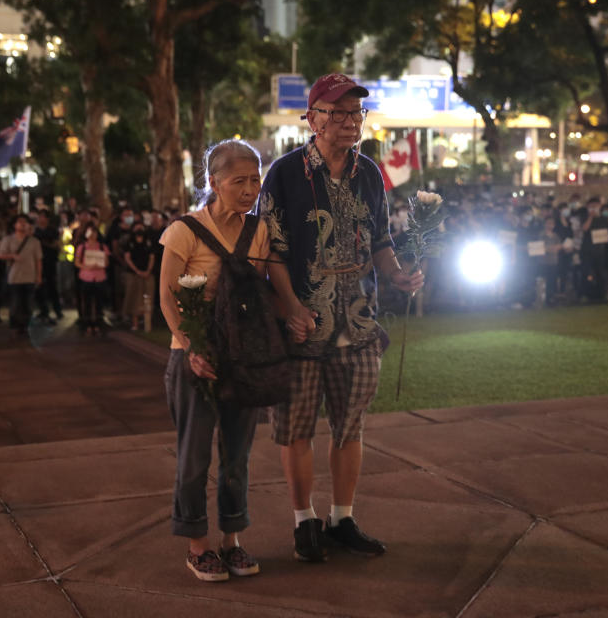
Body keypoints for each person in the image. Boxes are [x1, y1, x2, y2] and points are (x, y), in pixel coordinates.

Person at [260, 74, 424, 562]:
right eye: (338, 113)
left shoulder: (369, 172)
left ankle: (342, 517)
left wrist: (397, 275)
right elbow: (271, 251)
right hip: (302, 326)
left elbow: (380, 241)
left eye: (356, 113)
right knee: (297, 427)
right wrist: (290, 307)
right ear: (311, 118)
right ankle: (303, 520)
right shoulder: (285, 172)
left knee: (350, 426)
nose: (350, 123)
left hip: (357, 324)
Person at [159, 139, 270, 582]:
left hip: (241, 359)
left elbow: (263, 289)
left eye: (255, 180)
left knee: (237, 456)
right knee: (193, 457)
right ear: (213, 182)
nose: (249, 190)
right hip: (193, 361)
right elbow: (168, 297)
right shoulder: (184, 230)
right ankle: (198, 545)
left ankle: (232, 540)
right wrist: (192, 348)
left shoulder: (258, 229)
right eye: (238, 181)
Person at [0, 214, 43, 334]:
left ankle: (26, 325)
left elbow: (38, 260)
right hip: (14, 276)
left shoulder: (34, 241)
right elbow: (0, 255)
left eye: (25, 222)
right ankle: (15, 325)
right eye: (19, 222)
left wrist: (39, 276)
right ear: (14, 225)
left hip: (30, 276)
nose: (22, 224)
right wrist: (11, 256)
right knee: (15, 302)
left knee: (29, 303)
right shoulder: (8, 239)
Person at [74, 222, 109, 334]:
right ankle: (87, 323)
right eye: (90, 232)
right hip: (86, 277)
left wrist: (101, 265)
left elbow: (107, 262)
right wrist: (86, 266)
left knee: (99, 301)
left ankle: (98, 322)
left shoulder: (102, 247)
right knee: (87, 301)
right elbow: (77, 262)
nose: (92, 234)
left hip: (100, 277)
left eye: (94, 232)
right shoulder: (82, 247)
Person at [123, 223, 155, 331]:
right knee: (135, 297)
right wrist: (136, 271)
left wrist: (148, 271)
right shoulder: (129, 242)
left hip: (147, 274)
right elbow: (127, 258)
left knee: (148, 296)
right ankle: (134, 322)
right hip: (133, 274)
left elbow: (152, 257)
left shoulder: (148, 242)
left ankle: (147, 323)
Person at [34, 209, 63, 323]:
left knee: (52, 286)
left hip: (50, 261)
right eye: (39, 217)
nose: (41, 219)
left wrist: (44, 243)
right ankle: (43, 310)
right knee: (39, 287)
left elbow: (56, 244)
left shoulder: (53, 230)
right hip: (37, 262)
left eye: (43, 217)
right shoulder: (35, 231)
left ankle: (57, 310)